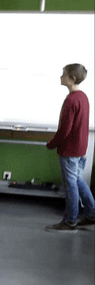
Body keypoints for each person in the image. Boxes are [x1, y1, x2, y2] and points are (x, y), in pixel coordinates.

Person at [45, 64, 95, 232]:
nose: (61, 77)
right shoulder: (83, 97)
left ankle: (70, 221)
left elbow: (65, 130)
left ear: (72, 79)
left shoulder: (71, 100)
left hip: (69, 151)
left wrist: (52, 144)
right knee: (79, 181)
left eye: (63, 74)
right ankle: (91, 215)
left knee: (71, 186)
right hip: (80, 149)